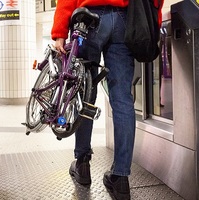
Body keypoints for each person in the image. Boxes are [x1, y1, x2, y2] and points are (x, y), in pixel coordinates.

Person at [52, 1, 138, 199]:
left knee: (84, 94)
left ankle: (82, 164)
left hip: (88, 20)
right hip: (123, 19)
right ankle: (120, 177)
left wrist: (59, 31)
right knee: (123, 99)